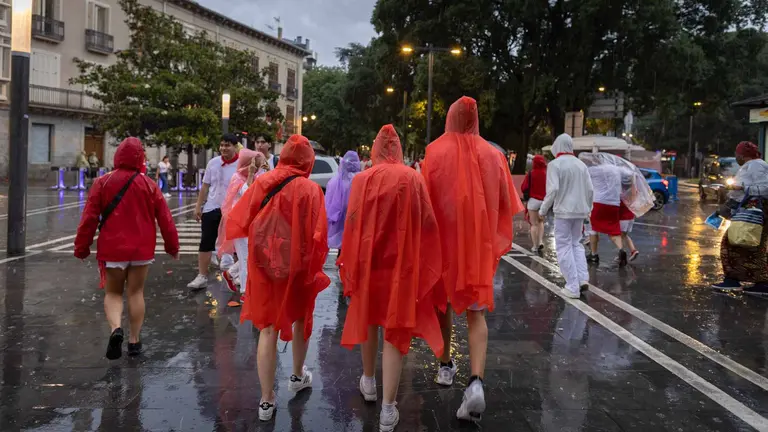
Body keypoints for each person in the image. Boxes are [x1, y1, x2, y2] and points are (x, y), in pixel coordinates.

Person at [422, 97, 524, 423]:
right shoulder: (494, 156)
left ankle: (444, 366)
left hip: (443, 245)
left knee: (443, 305)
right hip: (479, 248)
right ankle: (476, 381)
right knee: (476, 315)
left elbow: (425, 201)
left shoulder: (434, 152)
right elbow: (507, 203)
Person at [338, 125, 443, 432]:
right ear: (398, 148)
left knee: (369, 320)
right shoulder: (413, 178)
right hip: (402, 267)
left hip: (370, 266)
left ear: (375, 148)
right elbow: (427, 222)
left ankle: (369, 382)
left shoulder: (361, 179)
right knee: (396, 330)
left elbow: (353, 222)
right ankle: (388, 409)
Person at [226, 134, 330, 421]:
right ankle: (297, 375)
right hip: (298, 265)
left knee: (267, 328)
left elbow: (241, 218)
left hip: (264, 264)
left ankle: (266, 399)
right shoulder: (311, 190)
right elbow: (318, 235)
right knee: (301, 318)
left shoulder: (263, 182)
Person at [74, 137, 179, 359]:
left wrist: (81, 247)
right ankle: (134, 341)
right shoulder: (149, 184)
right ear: (140, 158)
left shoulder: (102, 182)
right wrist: (172, 246)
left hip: (112, 247)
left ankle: (115, 329)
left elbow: (89, 219)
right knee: (136, 291)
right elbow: (165, 219)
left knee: (113, 292)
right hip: (141, 248)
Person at [539, 134, 594, 299]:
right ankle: (583, 278)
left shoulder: (555, 165)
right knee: (576, 244)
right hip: (580, 210)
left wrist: (542, 210)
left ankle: (572, 286)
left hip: (563, 211)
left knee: (563, 247)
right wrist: (588, 209)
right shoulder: (581, 165)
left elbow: (553, 190)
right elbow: (590, 190)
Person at [713, 141, 768, 295]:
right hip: (755, 213)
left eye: (737, 154)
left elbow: (765, 188)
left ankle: (733, 280)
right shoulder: (754, 166)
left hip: (754, 213)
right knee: (754, 247)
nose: (736, 157)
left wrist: (741, 187)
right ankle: (761, 283)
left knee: (731, 243)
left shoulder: (756, 166)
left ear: (742, 155)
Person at [187, 134, 241, 289]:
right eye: (222, 145)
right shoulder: (213, 163)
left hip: (232, 210)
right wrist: (198, 206)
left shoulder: (241, 165)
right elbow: (205, 186)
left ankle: (237, 274)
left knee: (237, 244)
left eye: (228, 145)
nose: (224, 148)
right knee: (206, 242)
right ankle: (202, 276)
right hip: (212, 207)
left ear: (235, 146)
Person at [217, 149, 266, 305]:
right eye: (255, 165)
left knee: (253, 255)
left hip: (251, 223)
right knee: (246, 257)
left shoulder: (254, 176)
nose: (257, 169)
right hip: (239, 223)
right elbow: (247, 193)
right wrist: (251, 174)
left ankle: (230, 274)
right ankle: (245, 292)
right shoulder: (237, 178)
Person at [585, 163, 626, 266]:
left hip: (598, 202)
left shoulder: (594, 169)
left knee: (593, 229)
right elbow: (629, 175)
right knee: (613, 230)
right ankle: (621, 250)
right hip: (614, 203)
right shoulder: (617, 170)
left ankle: (594, 255)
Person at [325, 151, 361, 249]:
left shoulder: (334, 181)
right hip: (355, 222)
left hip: (339, 221)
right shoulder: (361, 180)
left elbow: (328, 204)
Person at [521, 155, 548, 253]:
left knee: (534, 224)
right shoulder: (547, 174)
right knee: (541, 222)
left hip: (533, 201)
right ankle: (540, 241)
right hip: (544, 201)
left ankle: (535, 246)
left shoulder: (531, 174)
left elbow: (524, 187)